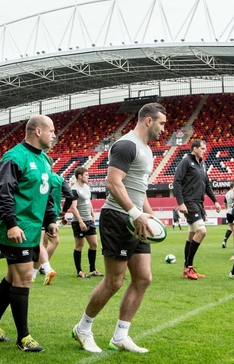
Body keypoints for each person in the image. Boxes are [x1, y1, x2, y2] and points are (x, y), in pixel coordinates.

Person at [72, 103, 167, 354]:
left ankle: (120, 336)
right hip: (118, 217)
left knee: (143, 277)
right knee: (114, 280)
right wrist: (135, 213)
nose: (163, 129)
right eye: (162, 123)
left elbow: (140, 189)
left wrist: (149, 214)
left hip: (137, 219)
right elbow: (113, 183)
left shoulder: (147, 150)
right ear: (148, 121)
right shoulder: (127, 145)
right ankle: (83, 328)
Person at [0, 115, 57, 352]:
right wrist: (12, 224)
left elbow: (45, 193)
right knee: (23, 278)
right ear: (37, 131)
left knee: (13, 278)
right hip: (15, 230)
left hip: (32, 230)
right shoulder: (14, 157)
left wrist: (51, 220)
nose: (54, 135)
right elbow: (3, 194)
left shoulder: (44, 160)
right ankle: (23, 337)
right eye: (51, 130)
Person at [173, 139, 222, 279]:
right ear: (194, 149)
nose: (204, 150)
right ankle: (189, 267)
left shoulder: (202, 164)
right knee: (201, 231)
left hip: (198, 203)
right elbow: (176, 181)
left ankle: (186, 269)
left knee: (191, 234)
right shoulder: (186, 162)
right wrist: (180, 203)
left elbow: (207, 185)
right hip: (189, 202)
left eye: (205, 148)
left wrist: (215, 201)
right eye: (202, 148)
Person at [32, 172, 74, 284]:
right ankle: (39, 270)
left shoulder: (39, 175)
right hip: (53, 214)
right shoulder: (59, 179)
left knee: (41, 244)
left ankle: (43, 269)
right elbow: (70, 196)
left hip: (40, 212)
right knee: (54, 242)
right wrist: (63, 212)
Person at [69, 166, 103, 278]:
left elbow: (89, 202)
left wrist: (93, 215)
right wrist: (80, 222)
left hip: (89, 220)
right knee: (79, 245)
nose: (88, 177)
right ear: (79, 176)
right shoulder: (74, 189)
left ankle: (92, 269)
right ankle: (79, 271)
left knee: (94, 244)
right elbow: (73, 208)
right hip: (80, 221)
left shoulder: (87, 187)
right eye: (86, 175)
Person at [222, 180, 234, 249]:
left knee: (230, 227)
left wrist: (226, 209)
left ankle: (225, 240)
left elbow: (224, 203)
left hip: (228, 211)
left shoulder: (227, 193)